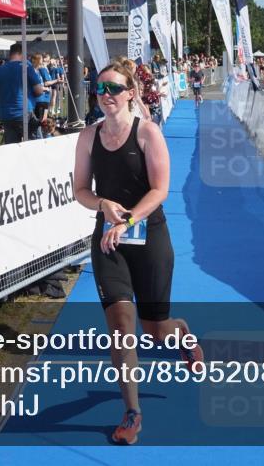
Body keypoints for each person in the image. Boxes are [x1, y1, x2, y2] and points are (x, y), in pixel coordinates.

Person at [73, 62, 203, 445]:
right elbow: (80, 190)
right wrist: (102, 205)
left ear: (130, 92)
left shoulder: (147, 133)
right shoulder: (87, 137)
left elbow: (161, 190)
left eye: (113, 88)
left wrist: (126, 220)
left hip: (148, 238)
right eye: (100, 89)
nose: (106, 95)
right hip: (109, 242)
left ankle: (181, 333)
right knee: (120, 327)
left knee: (155, 330)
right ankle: (132, 412)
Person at [0, 43, 45, 144]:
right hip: (24, 112)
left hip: (6, 115)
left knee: (12, 148)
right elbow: (39, 90)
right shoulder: (27, 67)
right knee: (36, 145)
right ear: (21, 53)